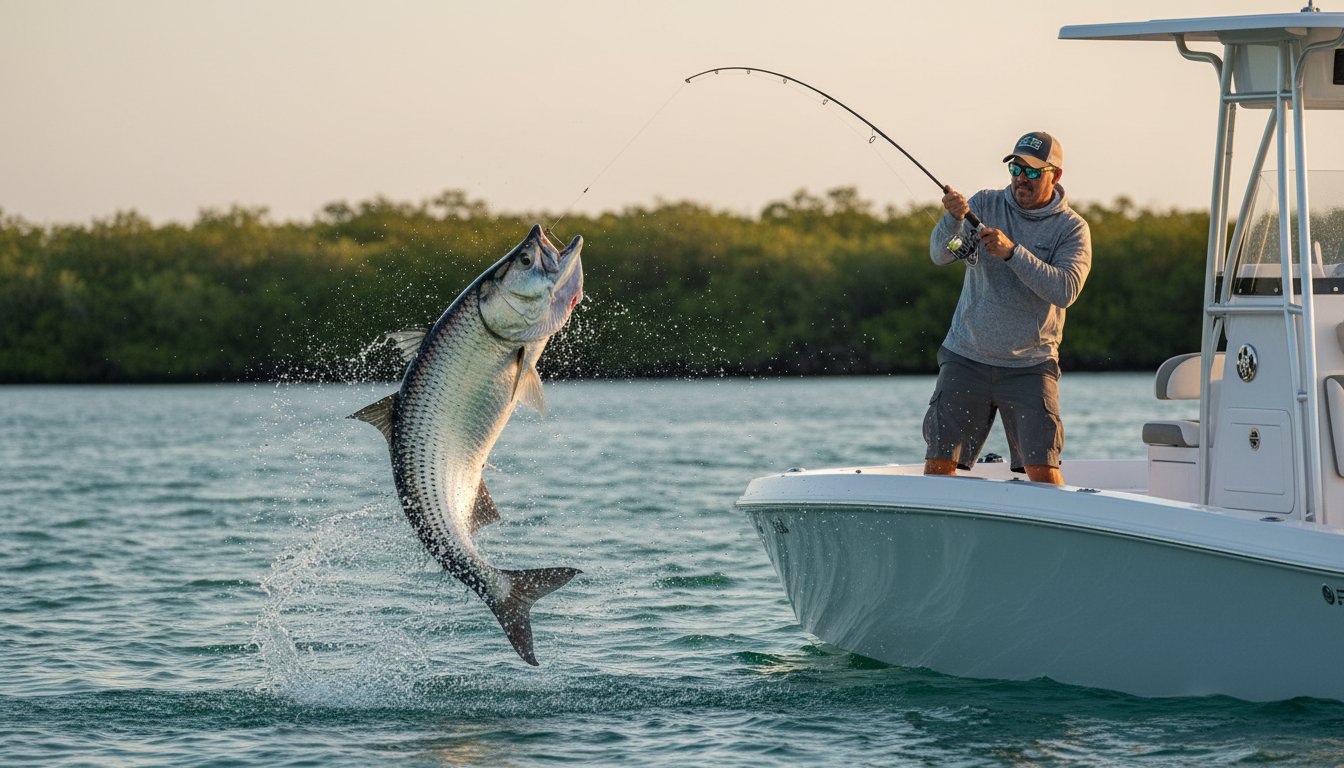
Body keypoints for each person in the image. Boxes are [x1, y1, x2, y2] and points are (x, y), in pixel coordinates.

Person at [922, 131, 1092, 485]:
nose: (1021, 179)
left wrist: (1013, 253)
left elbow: (1066, 290)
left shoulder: (1072, 228)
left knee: (1043, 470)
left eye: (1032, 172)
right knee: (939, 462)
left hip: (1031, 366)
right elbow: (943, 253)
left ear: (1055, 175)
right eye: (1016, 169)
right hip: (966, 356)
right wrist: (953, 220)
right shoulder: (984, 204)